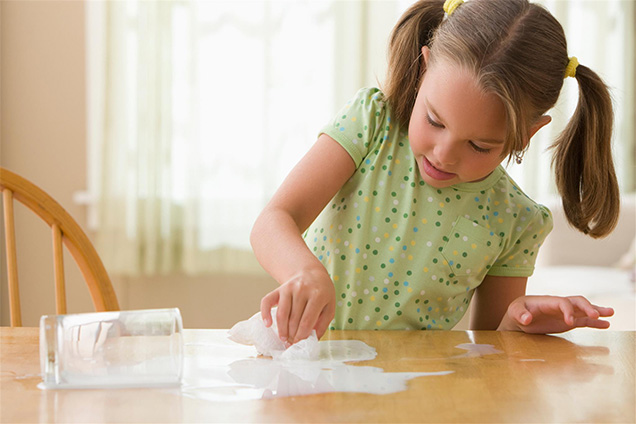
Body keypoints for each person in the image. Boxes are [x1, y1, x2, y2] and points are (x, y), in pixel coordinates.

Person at [250, 0, 620, 345]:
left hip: (414, 395)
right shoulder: (371, 123)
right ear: (424, 69)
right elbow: (273, 221)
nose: (443, 155)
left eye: (478, 146)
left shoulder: (517, 221)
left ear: (527, 134)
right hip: (303, 368)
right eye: (434, 120)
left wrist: (518, 323)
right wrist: (305, 272)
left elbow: (489, 348)